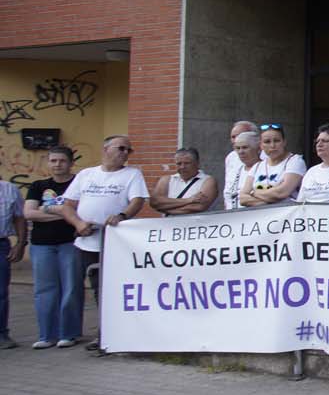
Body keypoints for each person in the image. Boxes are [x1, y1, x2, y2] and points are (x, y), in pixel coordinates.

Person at [55, 136, 148, 342]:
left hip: (110, 243)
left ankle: (105, 334)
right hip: (83, 241)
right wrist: (78, 224)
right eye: (121, 148)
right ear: (106, 149)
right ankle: (68, 333)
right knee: (71, 289)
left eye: (128, 150)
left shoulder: (132, 174)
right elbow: (67, 206)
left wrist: (122, 216)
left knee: (103, 289)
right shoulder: (86, 175)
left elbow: (137, 200)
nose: (125, 153)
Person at [25, 148, 81, 349]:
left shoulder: (78, 184)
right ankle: (46, 335)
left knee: (71, 288)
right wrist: (66, 213)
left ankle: (69, 333)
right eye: (53, 161)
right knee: (44, 290)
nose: (58, 164)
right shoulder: (38, 186)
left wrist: (46, 209)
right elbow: (29, 213)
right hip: (42, 244)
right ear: (48, 163)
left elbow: (82, 211)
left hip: (70, 242)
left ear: (71, 163)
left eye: (62, 161)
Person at [239, 123, 305, 207]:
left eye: (277, 141)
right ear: (261, 145)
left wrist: (253, 193)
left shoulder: (295, 161)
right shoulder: (257, 166)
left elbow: (282, 192)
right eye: (267, 142)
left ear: (284, 142)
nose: (272, 145)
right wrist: (270, 203)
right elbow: (242, 198)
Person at [0, 176, 27, 350]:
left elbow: (19, 217)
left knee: (1, 292)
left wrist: (20, 243)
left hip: (1, 244)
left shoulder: (9, 189)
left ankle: (1, 333)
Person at [149, 148, 219, 216]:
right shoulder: (166, 180)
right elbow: (155, 202)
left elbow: (198, 206)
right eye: (179, 164)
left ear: (197, 163)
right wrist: (189, 200)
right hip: (170, 226)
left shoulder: (208, 181)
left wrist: (166, 209)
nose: (182, 167)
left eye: (187, 163)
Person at [222, 120, 256, 209]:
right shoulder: (230, 157)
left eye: (240, 135)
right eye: (233, 137)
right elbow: (228, 187)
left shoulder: (265, 157)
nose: (236, 140)